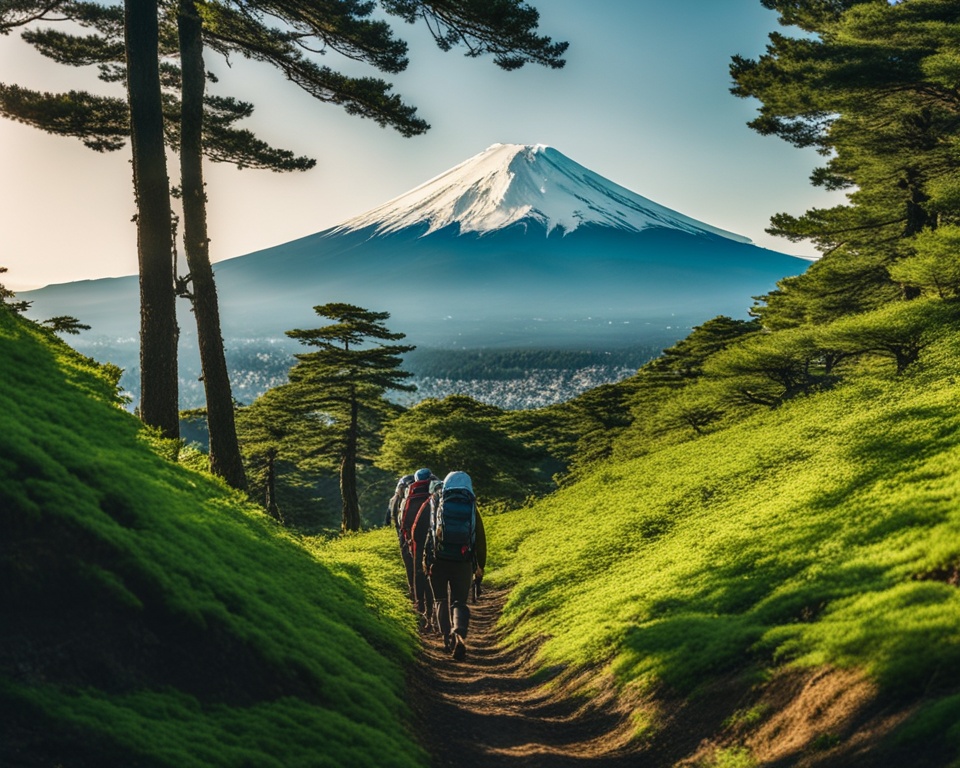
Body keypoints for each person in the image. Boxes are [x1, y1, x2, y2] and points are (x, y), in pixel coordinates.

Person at [422, 470, 486, 661]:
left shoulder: (438, 502)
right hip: (463, 562)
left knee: (440, 599)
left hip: (439, 561)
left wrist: (426, 560)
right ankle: (459, 634)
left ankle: (446, 639)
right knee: (459, 602)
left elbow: (430, 533)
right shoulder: (472, 508)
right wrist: (479, 567)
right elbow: (480, 541)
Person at [404, 468, 438, 632]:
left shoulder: (410, 497)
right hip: (435, 543)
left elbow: (404, 523)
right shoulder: (435, 497)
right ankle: (435, 610)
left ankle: (421, 607)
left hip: (417, 543)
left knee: (419, 573)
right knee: (434, 575)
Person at [385, 474, 415, 598]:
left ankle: (413, 590)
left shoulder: (394, 500)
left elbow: (387, 521)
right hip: (418, 537)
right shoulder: (419, 499)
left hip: (402, 538)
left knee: (409, 565)